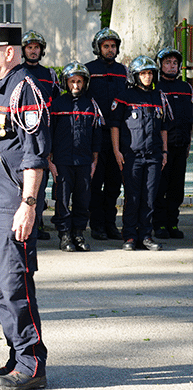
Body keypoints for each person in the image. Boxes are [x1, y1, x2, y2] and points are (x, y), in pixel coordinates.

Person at [0, 22, 50, 390]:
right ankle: (16, 356)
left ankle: (32, 363)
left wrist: (28, 205)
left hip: (11, 206)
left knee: (15, 284)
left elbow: (35, 156)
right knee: (1, 289)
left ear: (9, 52)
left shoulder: (24, 91)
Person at [110, 56, 171, 251]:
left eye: (150, 73)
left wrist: (164, 151)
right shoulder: (124, 97)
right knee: (132, 196)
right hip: (132, 155)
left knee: (149, 196)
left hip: (153, 155)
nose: (147, 77)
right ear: (135, 76)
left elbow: (163, 128)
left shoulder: (159, 97)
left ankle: (146, 235)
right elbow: (115, 126)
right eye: (143, 73)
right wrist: (116, 151)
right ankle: (129, 236)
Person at [48, 62, 103, 252]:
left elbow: (96, 135)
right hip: (62, 161)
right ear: (66, 82)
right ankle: (64, 235)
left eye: (79, 82)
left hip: (84, 161)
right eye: (72, 81)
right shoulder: (56, 105)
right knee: (62, 199)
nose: (76, 86)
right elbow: (49, 134)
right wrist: (50, 161)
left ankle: (78, 233)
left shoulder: (91, 105)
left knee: (83, 199)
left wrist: (94, 161)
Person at [86, 28, 128, 241]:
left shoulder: (124, 71)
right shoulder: (89, 70)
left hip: (118, 134)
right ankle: (97, 225)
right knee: (96, 181)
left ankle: (111, 224)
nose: (110, 50)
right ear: (98, 48)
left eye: (113, 46)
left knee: (114, 182)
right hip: (96, 133)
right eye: (106, 46)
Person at [21, 30, 59, 240]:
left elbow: (54, 105)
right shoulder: (17, 72)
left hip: (44, 133)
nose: (33, 51)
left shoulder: (49, 75)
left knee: (40, 182)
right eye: (29, 47)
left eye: (36, 48)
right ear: (23, 50)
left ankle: (38, 223)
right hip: (23, 134)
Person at [153, 47, 191, 239]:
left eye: (174, 63)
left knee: (177, 188)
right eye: (167, 62)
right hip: (161, 148)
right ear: (160, 65)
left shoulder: (186, 88)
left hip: (181, 146)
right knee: (161, 187)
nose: (171, 66)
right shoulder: (156, 88)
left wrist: (188, 144)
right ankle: (158, 224)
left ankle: (172, 224)